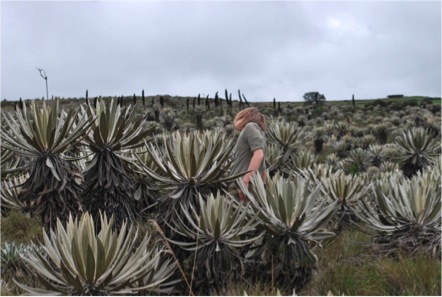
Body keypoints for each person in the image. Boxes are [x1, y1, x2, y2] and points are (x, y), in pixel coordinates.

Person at [230, 107, 267, 202]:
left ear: (246, 117)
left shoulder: (250, 127)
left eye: (238, 117)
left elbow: (259, 155)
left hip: (242, 183)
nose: (235, 121)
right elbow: (262, 162)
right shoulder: (258, 131)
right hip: (249, 183)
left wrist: (245, 181)